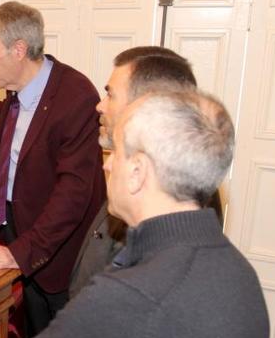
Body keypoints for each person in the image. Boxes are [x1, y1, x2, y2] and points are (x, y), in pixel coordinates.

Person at [0, 90, 270, 338]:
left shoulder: (128, 296)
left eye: (114, 151)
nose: (106, 163)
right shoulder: (242, 277)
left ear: (138, 172)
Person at [0, 1, 105, 337]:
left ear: (19, 50)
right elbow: (9, 112)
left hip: (60, 256)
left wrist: (21, 252)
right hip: (20, 235)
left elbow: (73, 194)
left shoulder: (76, 97)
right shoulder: (17, 90)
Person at [69, 46, 200, 298]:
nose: (99, 106)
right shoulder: (133, 171)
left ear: (145, 106)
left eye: (111, 95)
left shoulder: (162, 199)